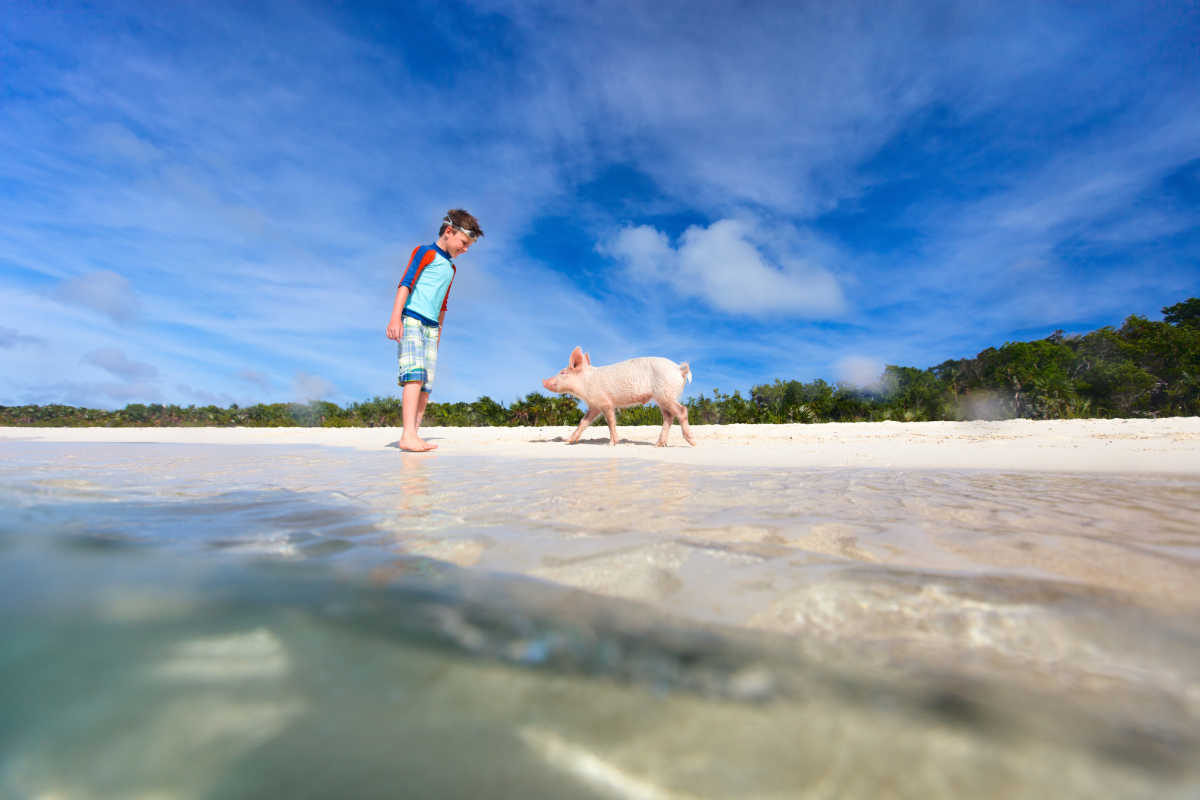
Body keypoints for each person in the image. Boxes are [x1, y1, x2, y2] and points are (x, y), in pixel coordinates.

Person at [385, 209, 483, 451]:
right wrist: (395, 317)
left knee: (426, 386)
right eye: (464, 242)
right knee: (414, 377)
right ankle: (407, 435)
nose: (465, 249)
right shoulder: (425, 252)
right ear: (449, 232)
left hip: (431, 328)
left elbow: (443, 305)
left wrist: (439, 333)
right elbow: (405, 283)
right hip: (412, 321)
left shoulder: (451, 270)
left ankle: (415, 434)